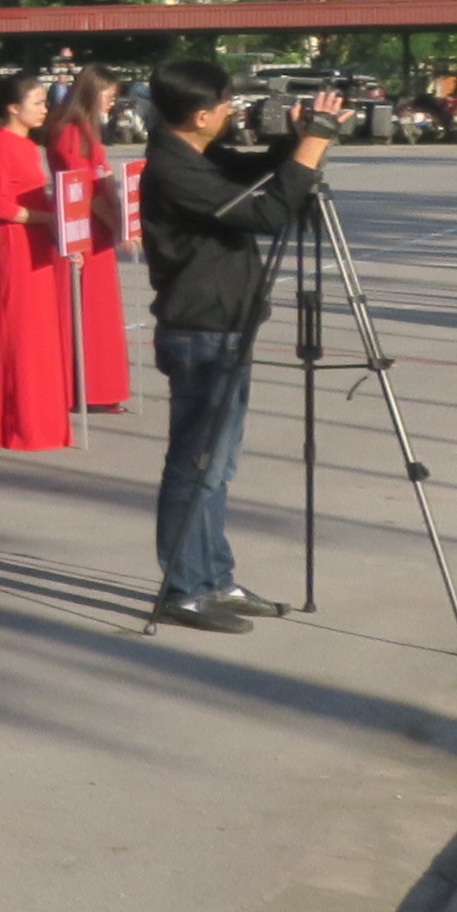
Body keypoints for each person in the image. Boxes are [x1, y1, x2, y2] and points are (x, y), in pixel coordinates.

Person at [137, 57, 337, 634]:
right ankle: (184, 588)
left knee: (217, 466)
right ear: (200, 115)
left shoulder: (199, 153)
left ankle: (214, 578)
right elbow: (267, 212)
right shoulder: (172, 169)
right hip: (201, 330)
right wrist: (312, 148)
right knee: (195, 464)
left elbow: (255, 174)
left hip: (226, 326)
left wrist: (295, 143)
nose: (231, 112)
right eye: (225, 104)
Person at [0, 70, 74, 454]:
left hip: (36, 243)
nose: (45, 109)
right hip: (15, 246)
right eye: (37, 103)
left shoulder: (27, 145)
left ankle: (43, 418)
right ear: (13, 108)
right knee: (20, 332)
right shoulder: (0, 146)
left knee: (40, 336)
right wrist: (48, 218)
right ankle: (19, 420)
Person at [45, 72, 134, 409]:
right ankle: (87, 387)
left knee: (98, 313)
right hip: (83, 227)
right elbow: (84, 189)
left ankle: (98, 387)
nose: (111, 102)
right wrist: (118, 225)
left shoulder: (83, 130)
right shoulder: (71, 133)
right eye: (107, 95)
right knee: (89, 313)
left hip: (94, 227)